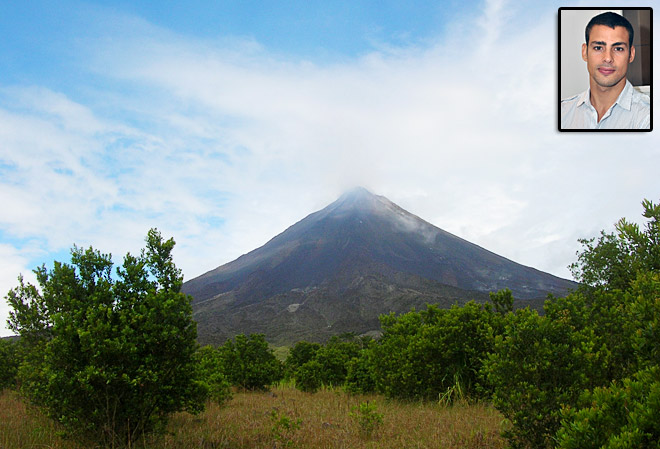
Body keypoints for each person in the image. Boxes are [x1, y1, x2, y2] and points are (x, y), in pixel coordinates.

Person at [561, 11, 650, 130]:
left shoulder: (649, 117)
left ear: (631, 54)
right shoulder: (562, 113)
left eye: (618, 49)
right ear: (584, 52)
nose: (608, 58)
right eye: (598, 48)